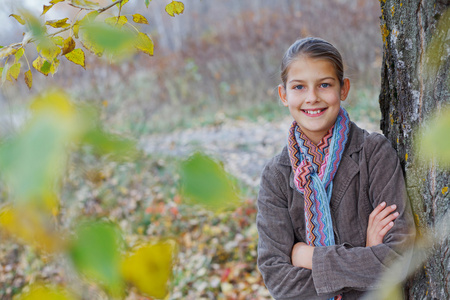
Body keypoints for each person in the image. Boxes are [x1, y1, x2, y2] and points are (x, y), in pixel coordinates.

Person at [256, 37, 415, 299]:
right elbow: (278, 279)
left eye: (325, 85)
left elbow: (399, 257)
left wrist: (309, 256)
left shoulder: (373, 153)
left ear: (343, 89)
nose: (312, 97)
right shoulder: (276, 175)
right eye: (299, 87)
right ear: (284, 95)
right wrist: (365, 254)